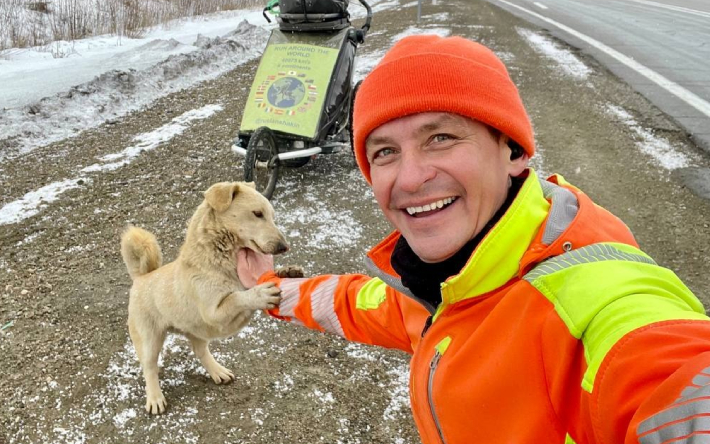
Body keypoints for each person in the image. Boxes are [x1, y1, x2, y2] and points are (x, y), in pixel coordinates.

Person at [237, 35, 710, 444]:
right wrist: (270, 289)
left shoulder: (595, 300)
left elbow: (668, 374)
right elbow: (357, 302)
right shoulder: (445, 284)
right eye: (385, 152)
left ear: (512, 150)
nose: (411, 178)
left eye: (441, 137)